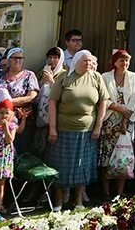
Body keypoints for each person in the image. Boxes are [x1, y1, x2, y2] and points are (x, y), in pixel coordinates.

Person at [47, 50, 108, 210]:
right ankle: (59, 202)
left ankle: (78, 201)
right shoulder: (64, 77)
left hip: (87, 131)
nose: (88, 64)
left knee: (83, 166)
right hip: (64, 130)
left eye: (90, 61)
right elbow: (52, 102)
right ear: (76, 61)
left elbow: (103, 102)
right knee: (61, 166)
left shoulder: (96, 77)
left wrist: (98, 127)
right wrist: (52, 128)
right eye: (84, 61)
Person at [99, 50, 135, 198]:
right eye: (122, 60)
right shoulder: (105, 77)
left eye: (127, 61)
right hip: (109, 120)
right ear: (115, 62)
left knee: (123, 156)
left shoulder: (132, 77)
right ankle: (106, 192)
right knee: (106, 157)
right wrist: (117, 107)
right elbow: (103, 98)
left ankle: (119, 193)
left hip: (125, 122)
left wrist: (124, 122)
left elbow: (133, 99)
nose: (125, 63)